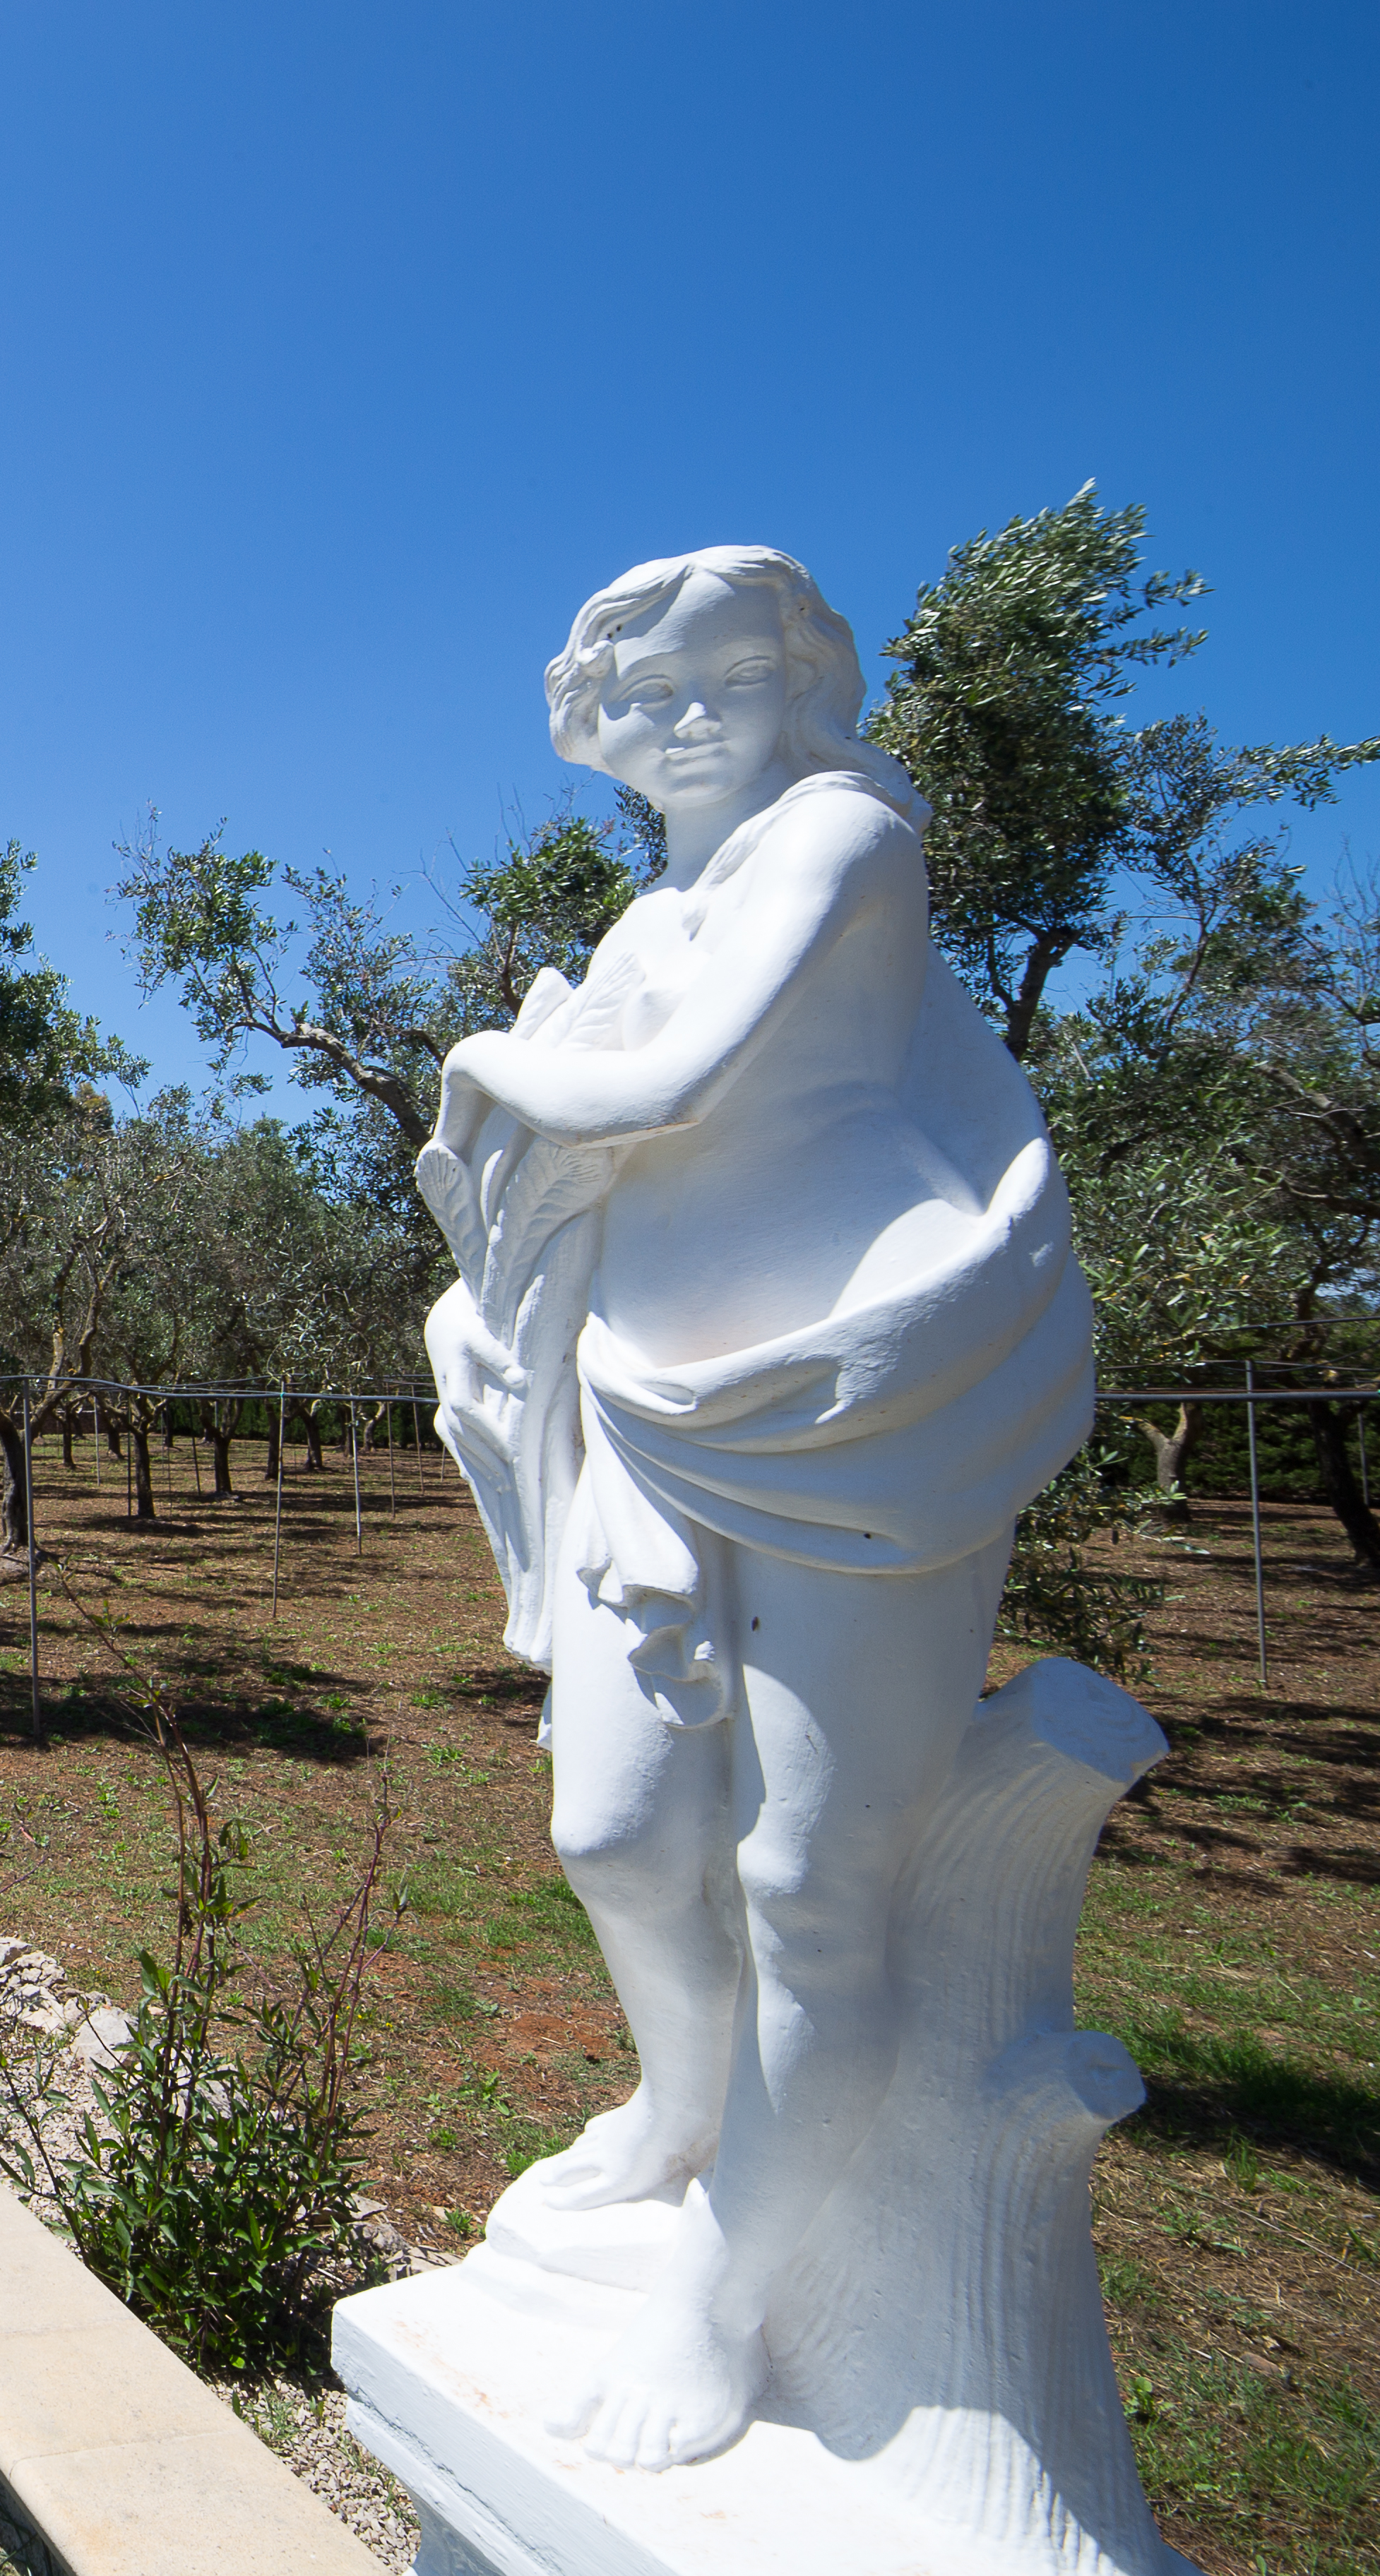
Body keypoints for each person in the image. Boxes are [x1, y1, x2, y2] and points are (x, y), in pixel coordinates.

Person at [422, 546, 1093, 2471]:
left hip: (856, 1402)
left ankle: (720, 2303)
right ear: (600, 729)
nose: (689, 719)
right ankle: (679, 2108)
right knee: (618, 1831)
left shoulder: (844, 839)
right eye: (646, 696)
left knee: (808, 1884)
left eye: (727, 679)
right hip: (643, 1397)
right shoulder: (656, 910)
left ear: (803, 686)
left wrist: (486, 1056)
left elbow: (670, 1084)